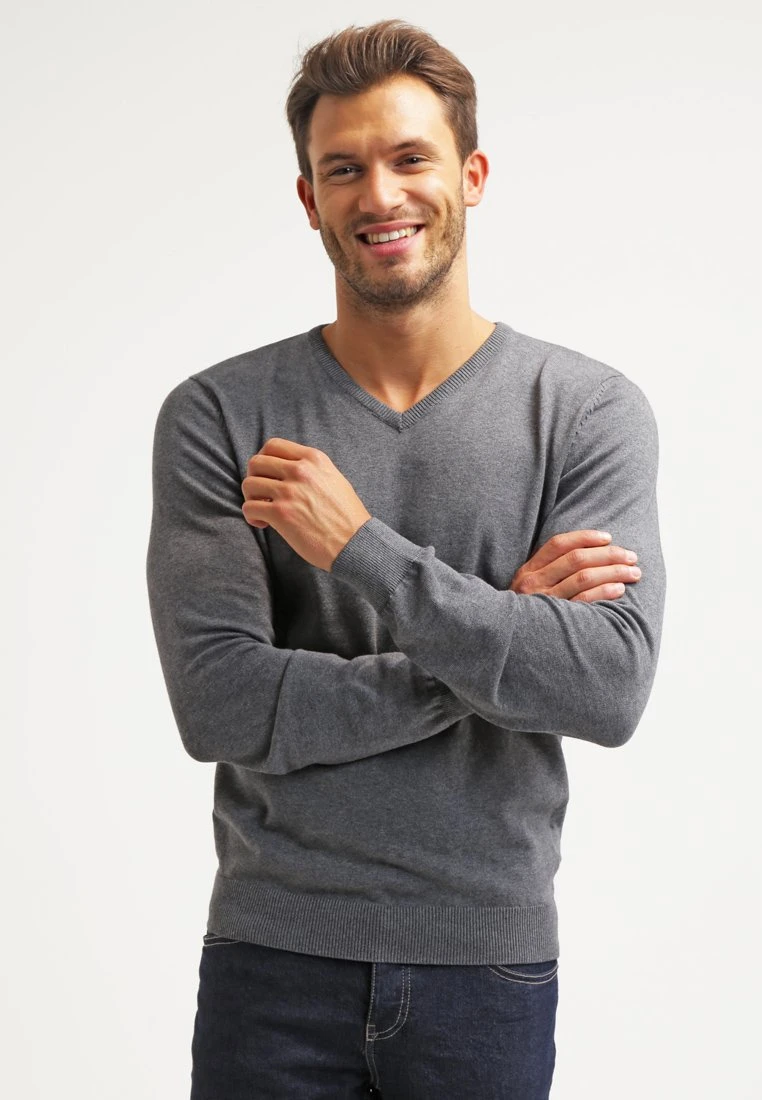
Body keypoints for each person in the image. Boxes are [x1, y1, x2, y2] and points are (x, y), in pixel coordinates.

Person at [146, 18, 666, 1100]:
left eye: (410, 157)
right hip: (270, 962)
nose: (379, 194)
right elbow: (221, 706)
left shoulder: (584, 411)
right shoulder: (221, 415)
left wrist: (361, 549)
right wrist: (497, 642)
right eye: (344, 169)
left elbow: (606, 688)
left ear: (471, 175)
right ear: (310, 199)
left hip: (488, 968)